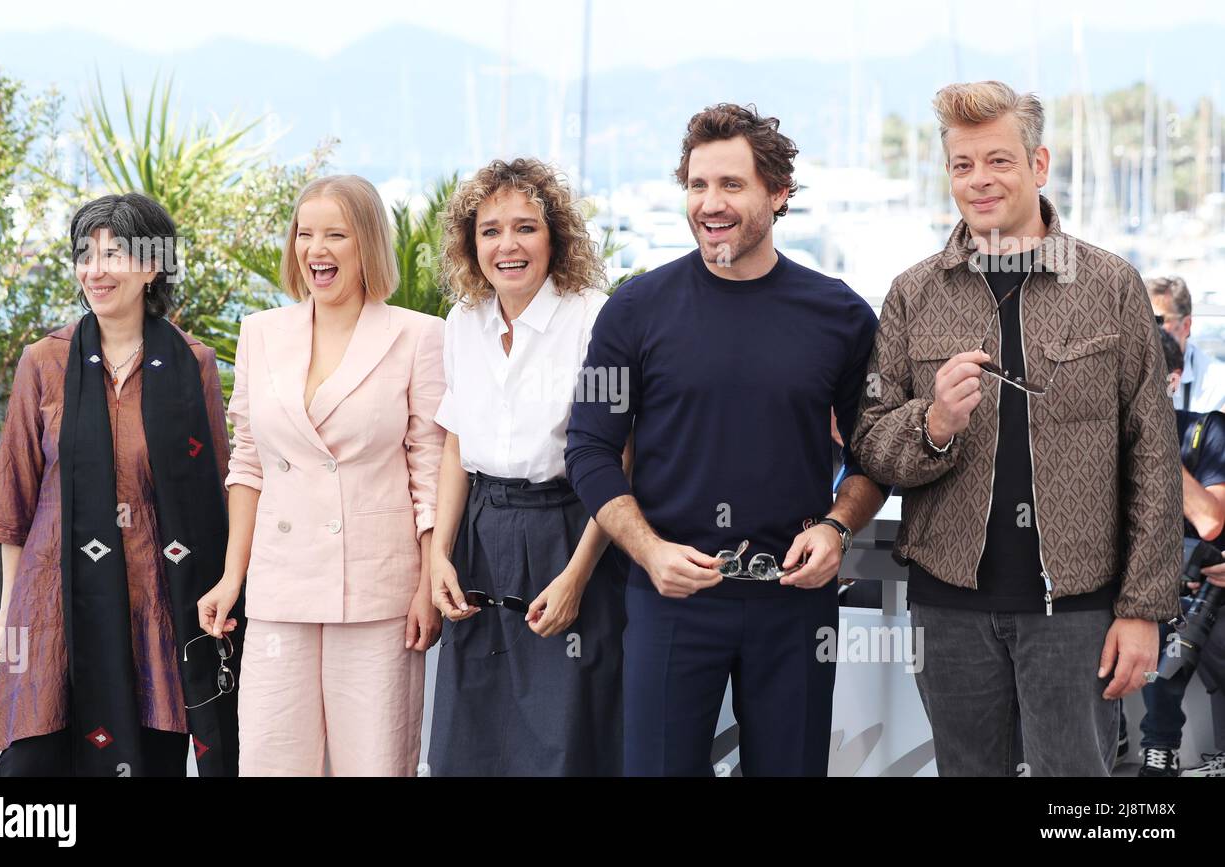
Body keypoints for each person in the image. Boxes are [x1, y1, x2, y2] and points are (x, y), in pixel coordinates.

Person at [852, 80, 1181, 777]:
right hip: (949, 609)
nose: (979, 181)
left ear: (1039, 164)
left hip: (1078, 609)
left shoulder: (1111, 285)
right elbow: (872, 442)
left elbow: (1153, 452)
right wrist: (933, 423)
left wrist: (1145, 607)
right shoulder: (914, 292)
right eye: (962, 165)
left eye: (998, 160)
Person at [565, 103, 886, 776]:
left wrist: (835, 528)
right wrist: (649, 552)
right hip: (668, 596)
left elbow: (872, 457)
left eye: (731, 185)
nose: (710, 203)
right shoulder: (632, 310)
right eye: (698, 185)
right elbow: (590, 447)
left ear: (777, 192)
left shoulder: (841, 316)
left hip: (795, 605)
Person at [0, 193, 239, 776]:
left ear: (153, 265)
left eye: (114, 253)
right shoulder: (43, 362)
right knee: (29, 771)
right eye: (84, 254)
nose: (94, 270)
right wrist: (4, 615)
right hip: (51, 608)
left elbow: (215, 495)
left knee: (147, 764)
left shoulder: (193, 363)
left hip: (155, 608)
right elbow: (15, 503)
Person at [196, 175, 445, 776]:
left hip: (379, 589)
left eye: (336, 234)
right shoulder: (261, 332)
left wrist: (426, 585)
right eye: (305, 233)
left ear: (368, 246)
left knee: (375, 760)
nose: (316, 249)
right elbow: (248, 463)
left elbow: (429, 472)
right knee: (273, 756)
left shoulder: (418, 336)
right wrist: (233, 577)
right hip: (281, 586)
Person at [426, 158, 628, 776]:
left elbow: (622, 457)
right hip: (481, 538)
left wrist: (575, 576)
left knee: (565, 740)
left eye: (525, 227)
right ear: (471, 243)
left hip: (571, 533)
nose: (507, 245)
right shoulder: (463, 322)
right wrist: (439, 553)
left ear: (555, 237)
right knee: (472, 741)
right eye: (490, 230)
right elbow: (457, 445)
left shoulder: (596, 317)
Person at [1137, 331, 1225, 777]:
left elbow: (1211, 521)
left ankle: (1160, 749)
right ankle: (1153, 748)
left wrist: (1157, 442)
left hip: (1202, 587)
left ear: (1172, 381)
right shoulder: (1094, 439)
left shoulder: (1204, 430)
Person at [1147, 275, 1225, 413]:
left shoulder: (1218, 383)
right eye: (1141, 320)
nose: (1146, 329)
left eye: (1157, 320)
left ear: (1186, 326)